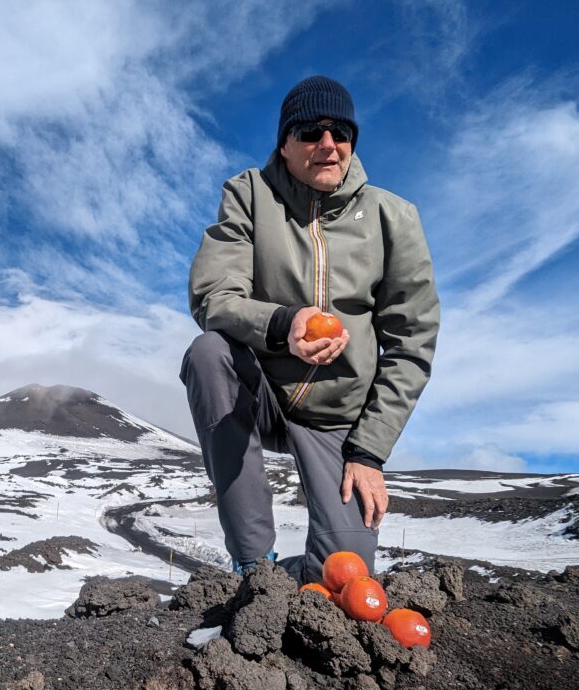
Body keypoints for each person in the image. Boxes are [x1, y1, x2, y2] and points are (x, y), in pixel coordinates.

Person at [181, 75, 439, 580]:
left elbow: (412, 342)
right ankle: (255, 568)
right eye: (310, 131)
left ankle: (300, 576)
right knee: (209, 353)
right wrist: (282, 321)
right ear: (285, 141)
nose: (328, 145)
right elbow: (214, 296)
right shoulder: (249, 194)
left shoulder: (394, 218)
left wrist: (369, 450)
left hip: (340, 422)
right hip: (264, 396)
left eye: (340, 132)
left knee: (343, 577)